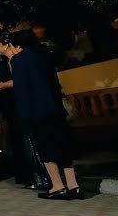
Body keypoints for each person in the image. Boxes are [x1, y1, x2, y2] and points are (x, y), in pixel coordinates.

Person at [5, 29, 83, 200]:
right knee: (63, 146)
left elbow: (21, 88)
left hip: (36, 111)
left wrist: (24, 115)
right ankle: (73, 185)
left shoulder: (18, 60)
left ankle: (57, 186)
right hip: (54, 108)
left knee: (46, 149)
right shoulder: (45, 56)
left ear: (17, 46)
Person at [0, 34, 51, 190]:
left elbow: (19, 81)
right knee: (21, 142)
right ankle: (31, 176)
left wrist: (2, 85)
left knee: (30, 141)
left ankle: (40, 178)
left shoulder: (16, 60)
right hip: (14, 106)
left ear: (7, 45)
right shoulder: (8, 61)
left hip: (22, 105)